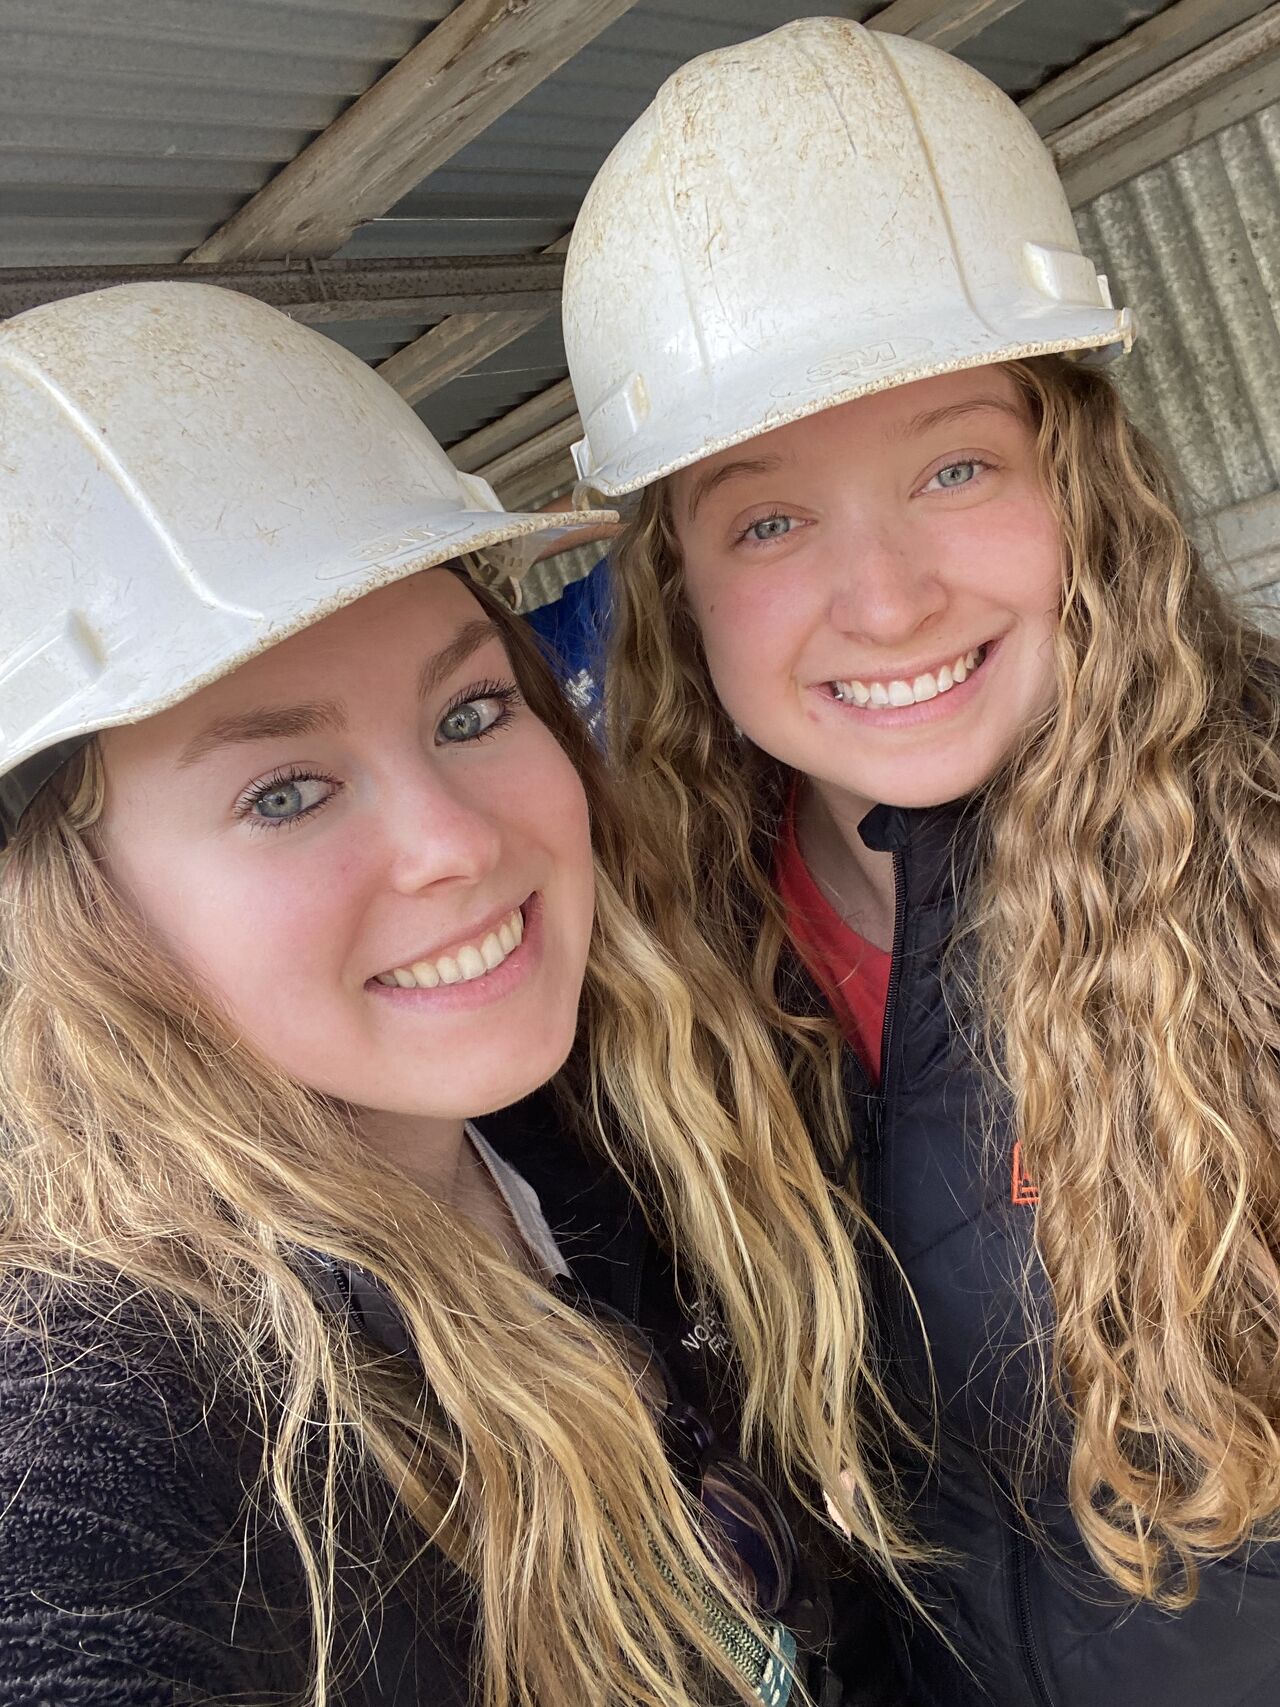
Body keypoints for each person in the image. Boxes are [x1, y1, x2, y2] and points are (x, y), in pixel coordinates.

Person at [0, 283, 909, 1706]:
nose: (460, 844)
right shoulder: (108, 1395)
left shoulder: (579, 1137)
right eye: (285, 792)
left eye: (472, 712)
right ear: (76, 911)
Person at [560, 18, 1280, 1707]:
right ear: (677, 582)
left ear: (1082, 482)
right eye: (770, 520)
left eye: (957, 467)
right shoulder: (652, 972)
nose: (883, 605)